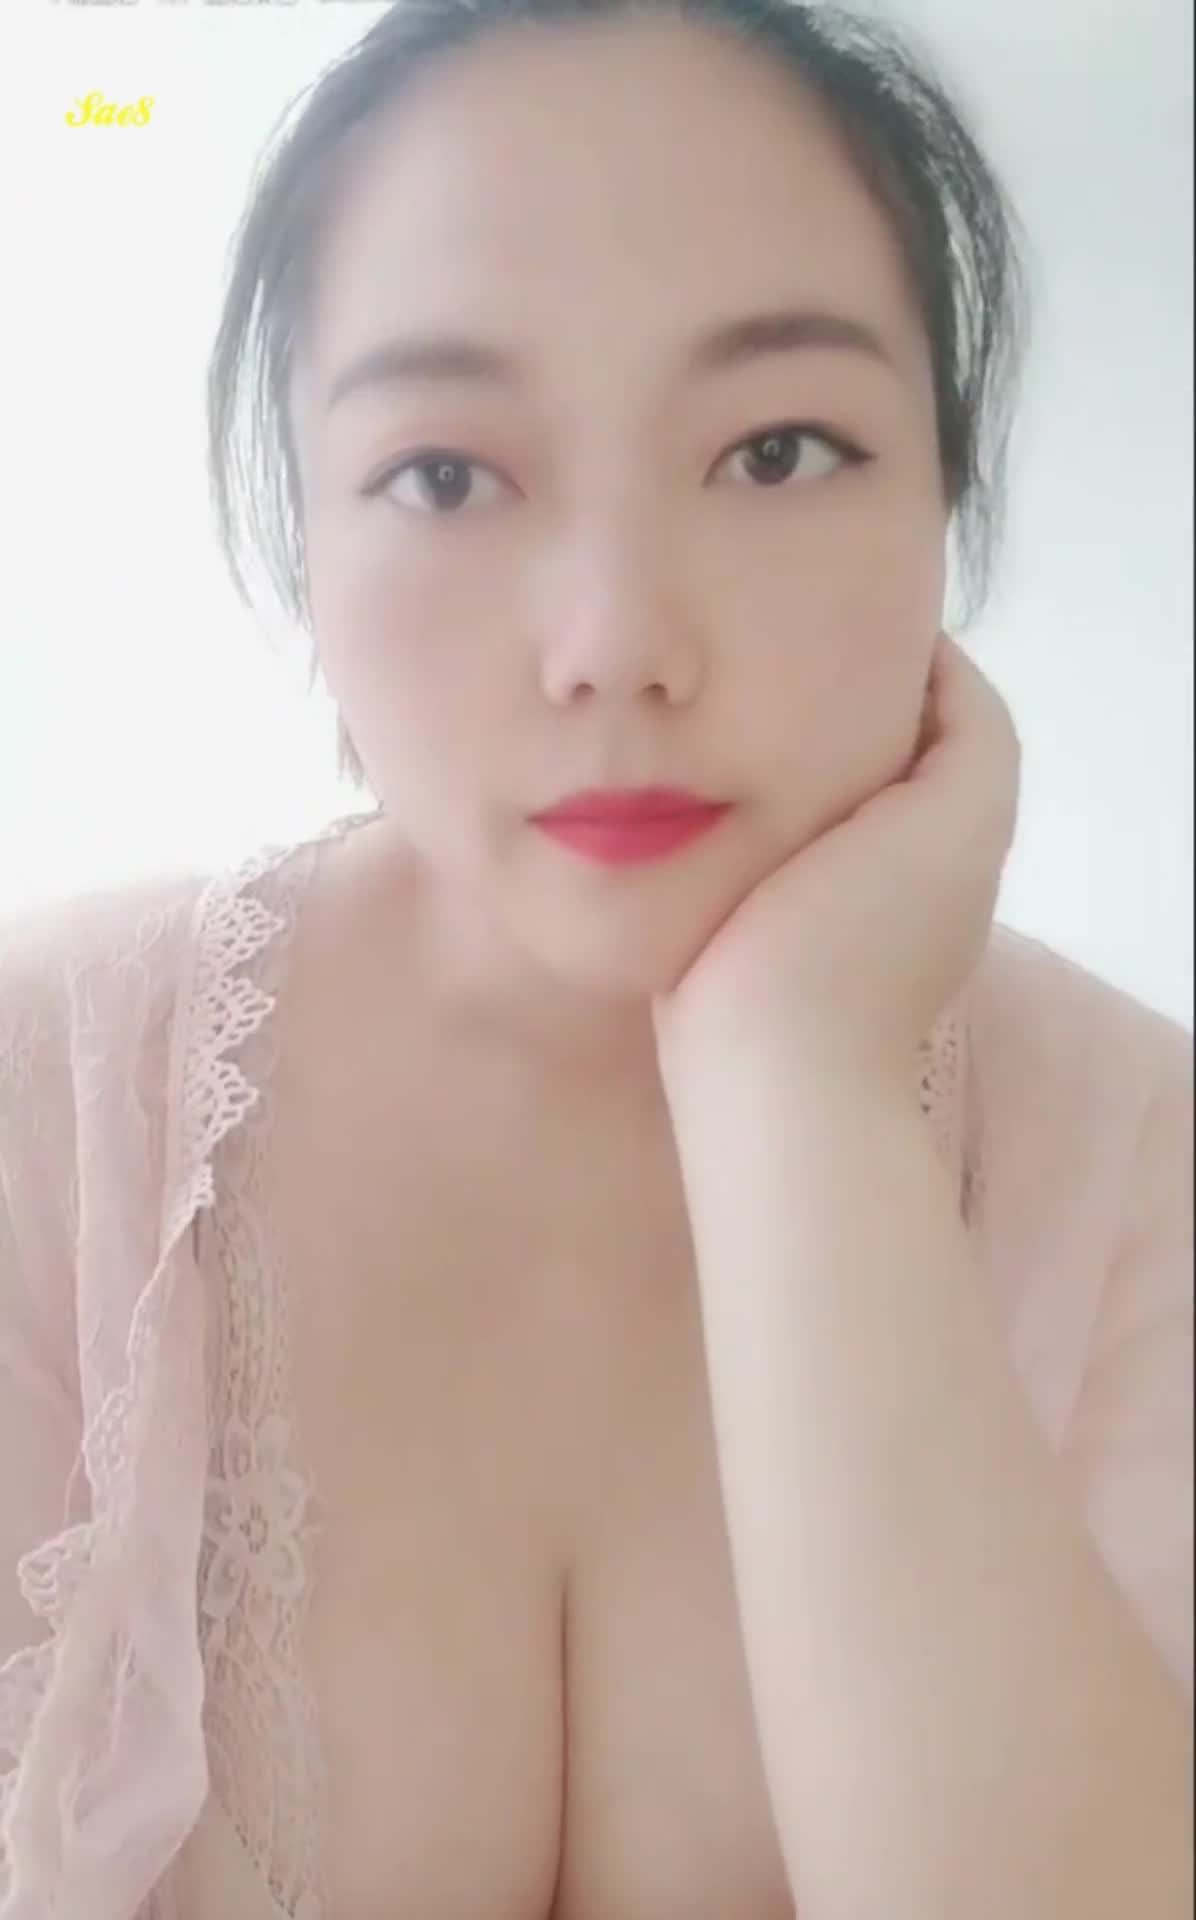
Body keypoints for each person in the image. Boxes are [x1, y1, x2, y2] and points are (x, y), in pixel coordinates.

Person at [1, 1, 1191, 1915]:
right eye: (446, 474)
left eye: (778, 449)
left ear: (944, 508)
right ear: (307, 542)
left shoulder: (1146, 1172)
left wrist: (805, 1088)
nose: (616, 640)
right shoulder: (45, 1111)